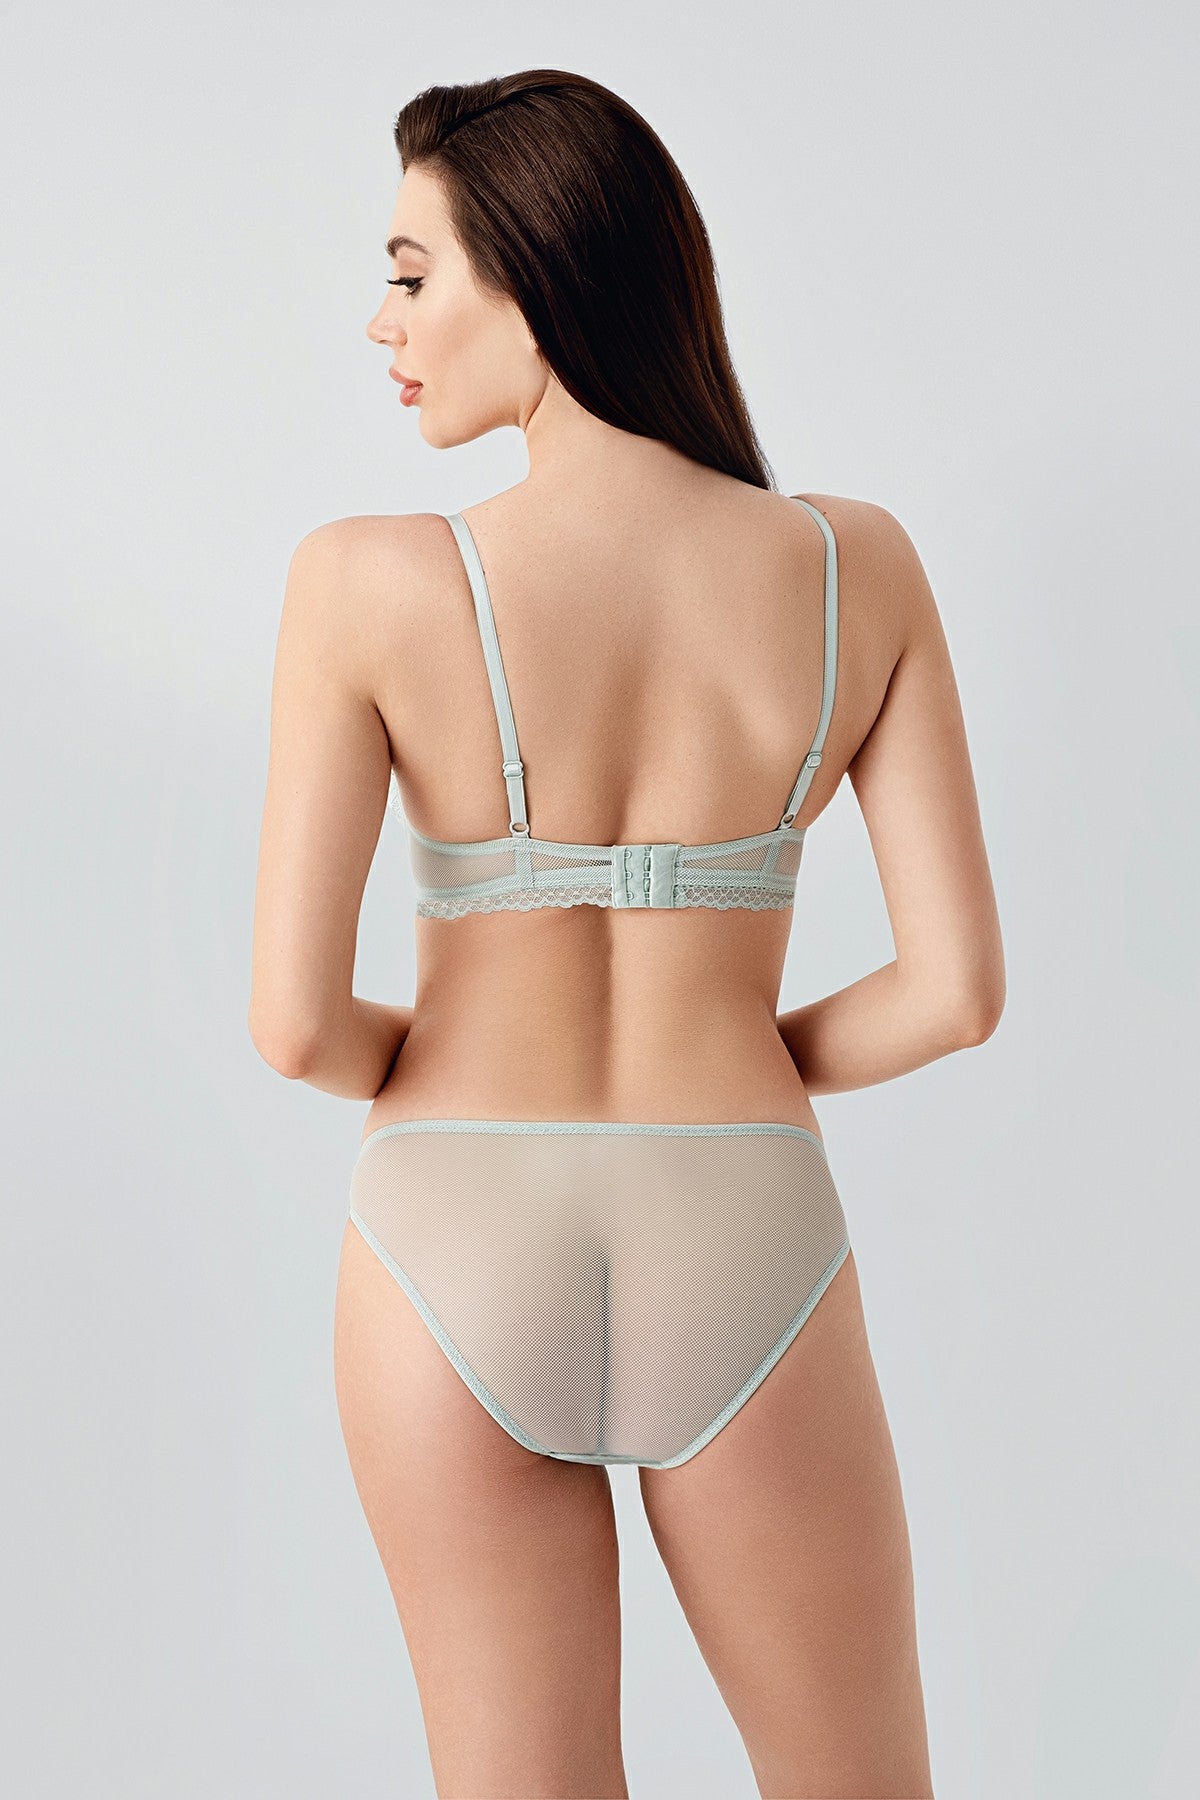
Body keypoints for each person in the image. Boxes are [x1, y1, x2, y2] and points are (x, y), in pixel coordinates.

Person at [248, 67, 1004, 1800]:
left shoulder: (364, 579)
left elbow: (293, 1028)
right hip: (743, 1217)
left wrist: (450, 1056)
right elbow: (958, 992)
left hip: (449, 1233)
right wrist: (734, 1048)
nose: (381, 323)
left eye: (411, 275)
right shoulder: (854, 568)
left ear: (538, 275)